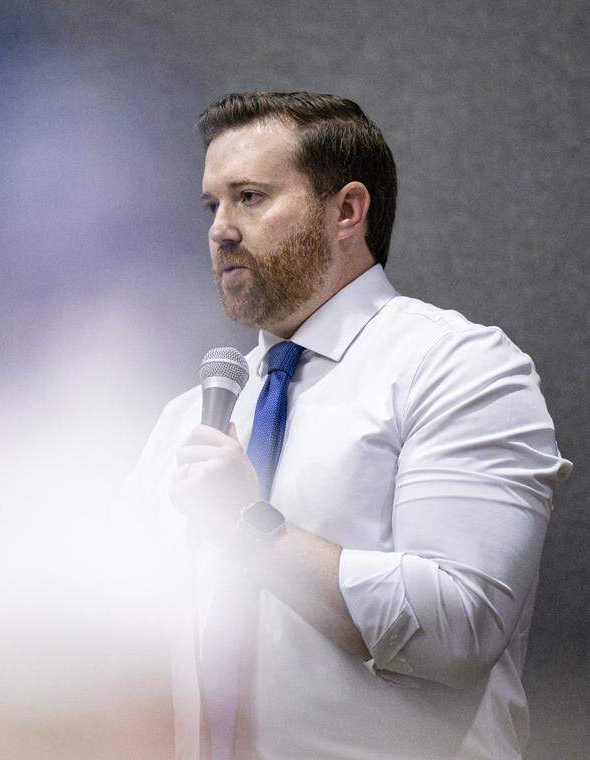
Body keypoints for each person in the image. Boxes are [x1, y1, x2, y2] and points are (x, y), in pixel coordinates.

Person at [120, 92, 571, 759]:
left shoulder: (458, 367)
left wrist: (250, 526)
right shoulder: (187, 417)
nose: (220, 228)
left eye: (249, 197)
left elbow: (457, 631)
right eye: (212, 205)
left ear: (348, 211)